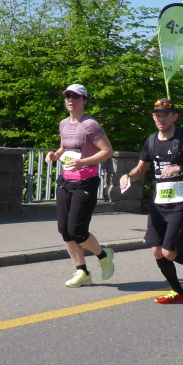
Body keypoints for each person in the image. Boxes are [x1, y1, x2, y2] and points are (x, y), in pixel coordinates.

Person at [119, 98, 183, 304]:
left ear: (174, 117)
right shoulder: (151, 141)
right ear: (153, 117)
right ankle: (178, 292)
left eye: (165, 115)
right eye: (157, 115)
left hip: (180, 202)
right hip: (158, 203)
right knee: (157, 251)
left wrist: (180, 168)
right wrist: (128, 176)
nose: (161, 119)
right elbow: (141, 169)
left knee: (169, 252)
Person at [45, 84, 115, 288]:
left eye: (75, 97)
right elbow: (63, 148)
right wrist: (54, 155)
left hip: (85, 181)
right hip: (65, 181)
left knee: (77, 230)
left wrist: (83, 162)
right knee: (64, 230)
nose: (70, 100)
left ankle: (103, 256)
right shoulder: (63, 123)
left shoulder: (90, 124)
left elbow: (107, 151)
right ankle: (82, 272)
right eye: (67, 96)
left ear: (84, 101)